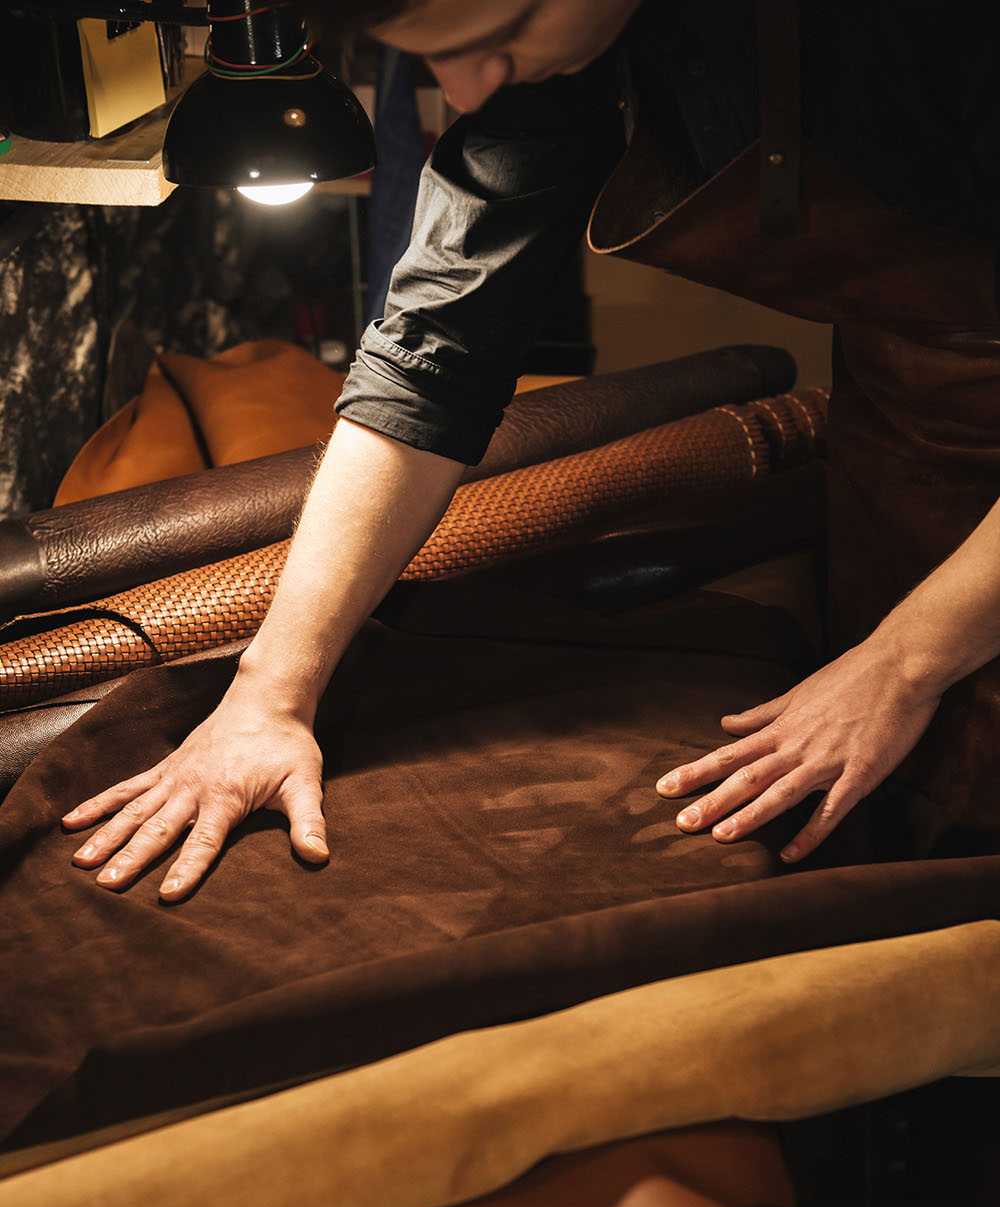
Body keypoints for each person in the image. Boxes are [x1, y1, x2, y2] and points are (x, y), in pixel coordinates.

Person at [62, 0, 1000, 908]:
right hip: (909, 424)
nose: (468, 91)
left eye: (500, 35)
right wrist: (269, 694)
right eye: (428, 58)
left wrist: (904, 664)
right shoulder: (562, 56)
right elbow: (435, 357)